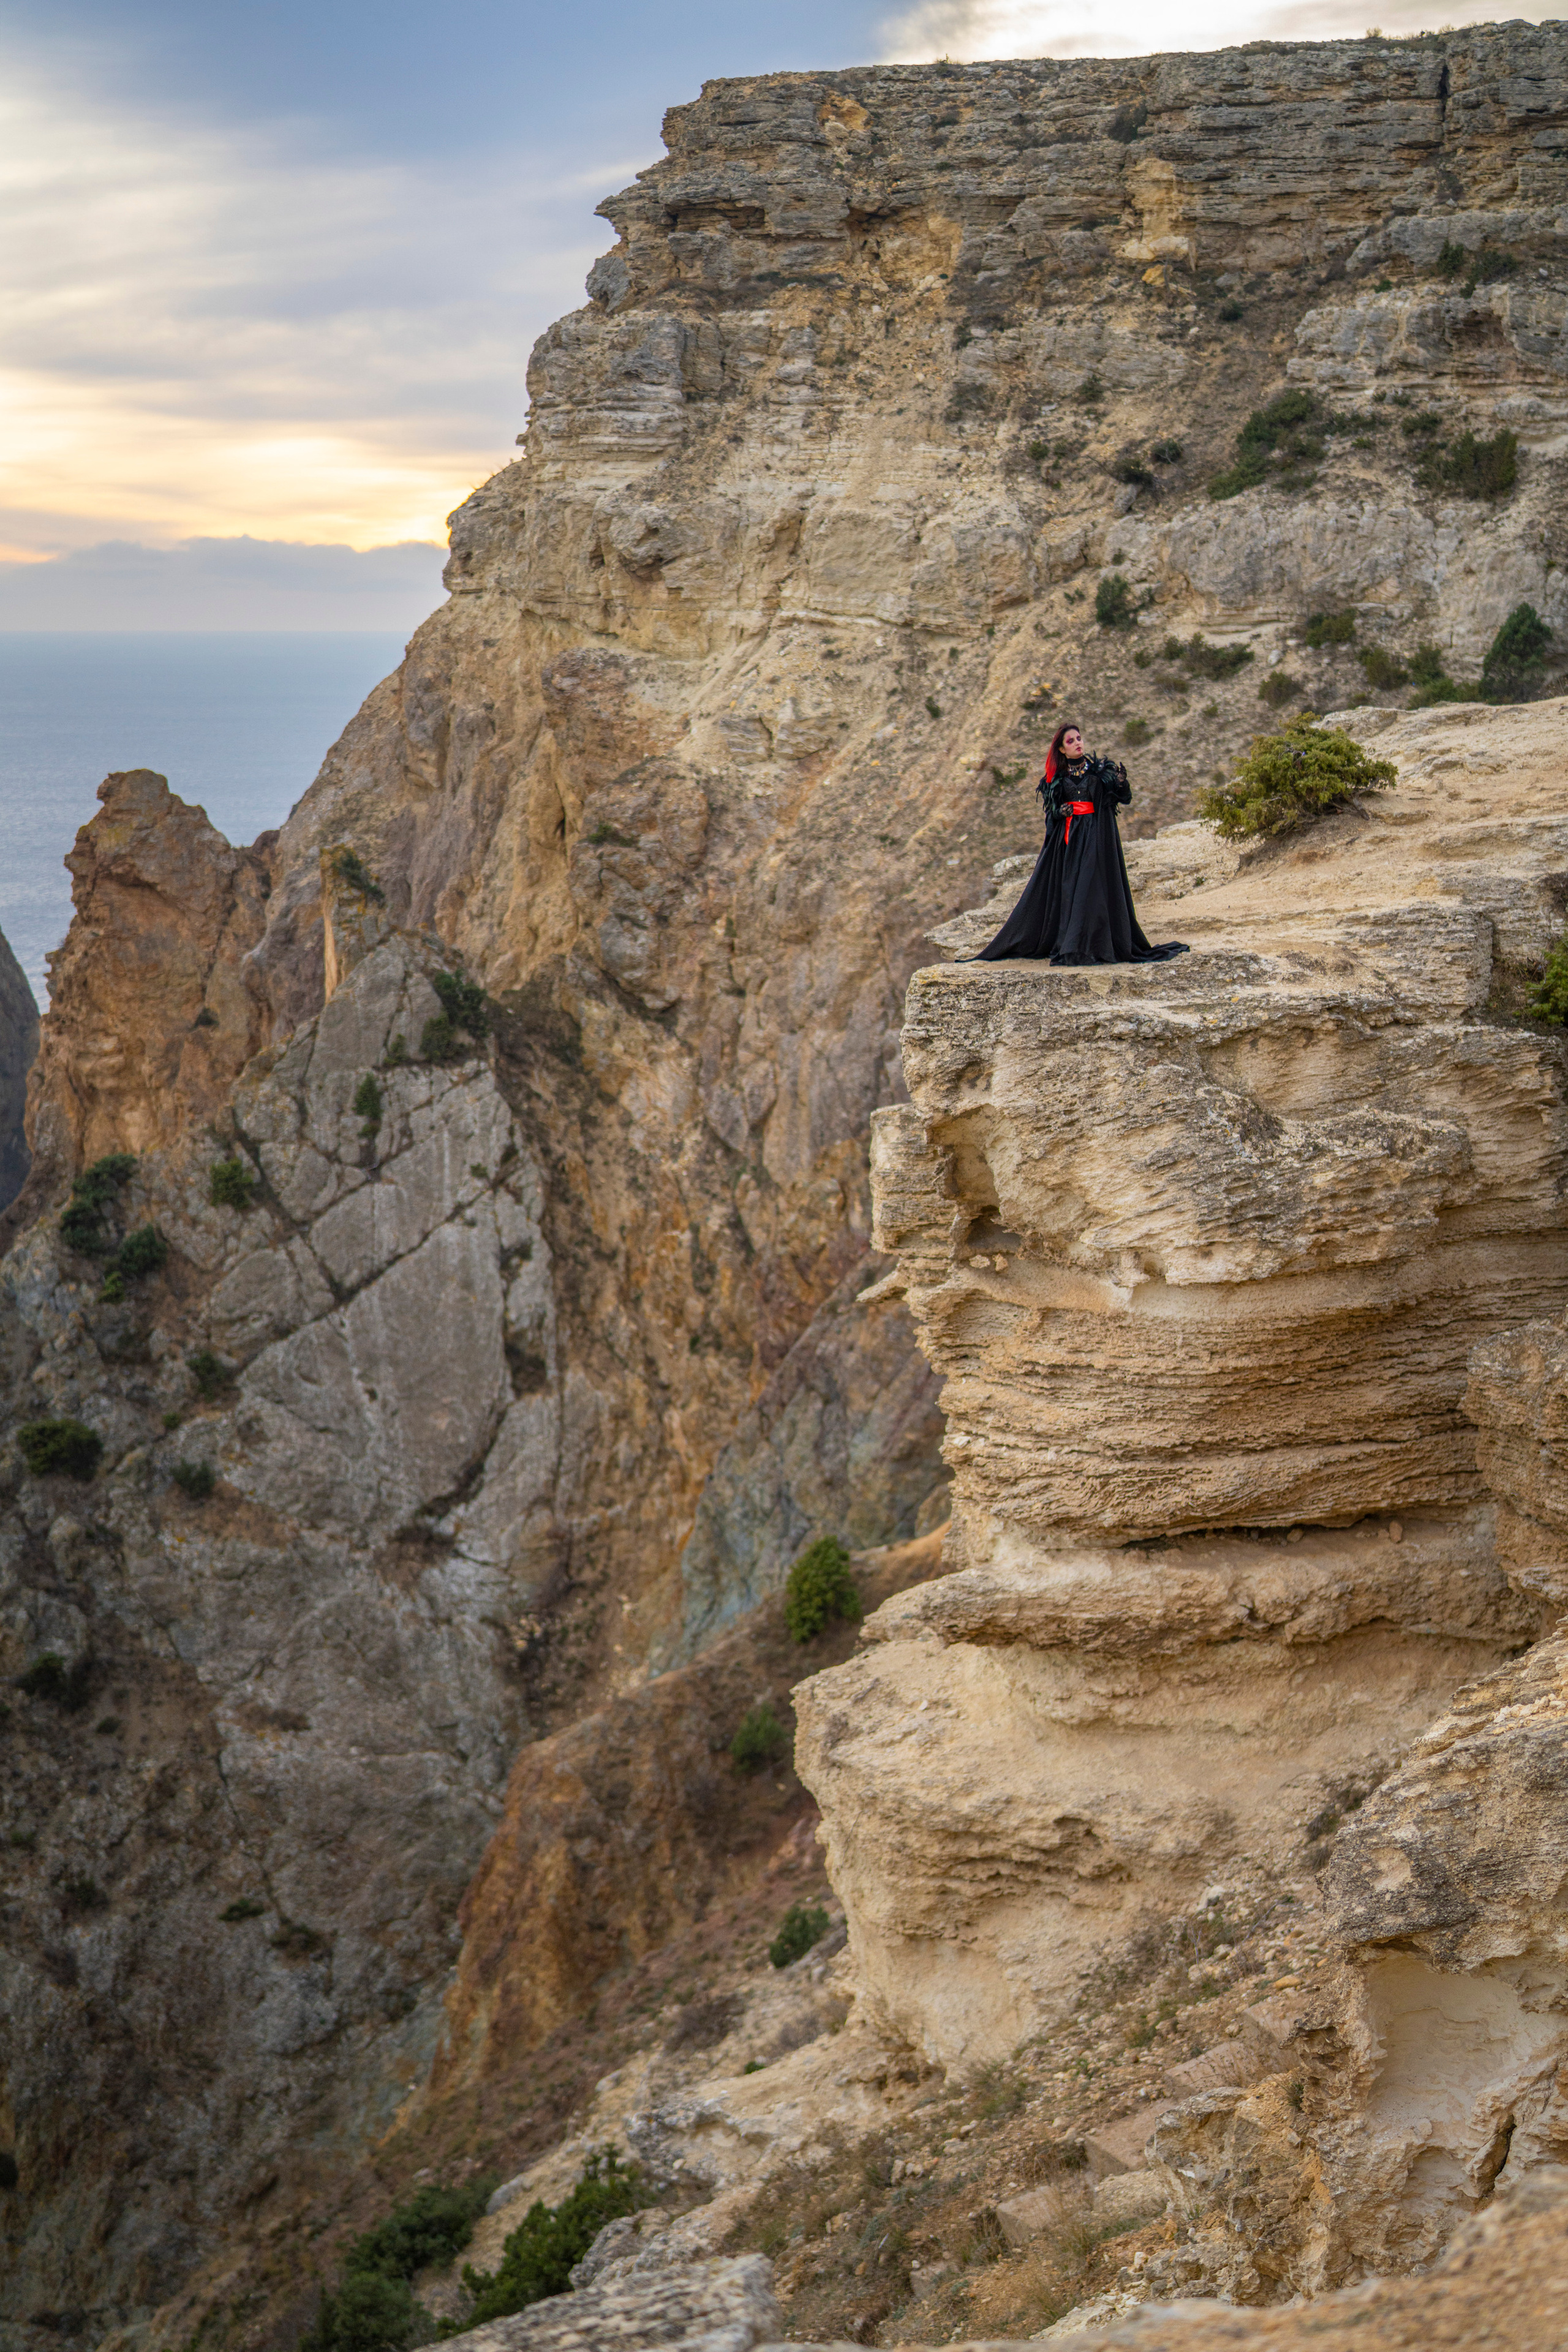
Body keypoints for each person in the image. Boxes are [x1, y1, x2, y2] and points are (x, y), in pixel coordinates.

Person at [970, 722, 1189, 966]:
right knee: (1072, 890)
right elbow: (1051, 814)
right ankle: (1072, 944)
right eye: (1071, 741)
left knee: (1090, 889)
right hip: (1070, 842)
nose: (1077, 743)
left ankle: (1091, 946)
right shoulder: (1056, 779)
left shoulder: (1100, 772)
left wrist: (1120, 782)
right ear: (1061, 749)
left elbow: (1123, 799)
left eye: (1079, 738)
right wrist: (1060, 811)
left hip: (1096, 837)